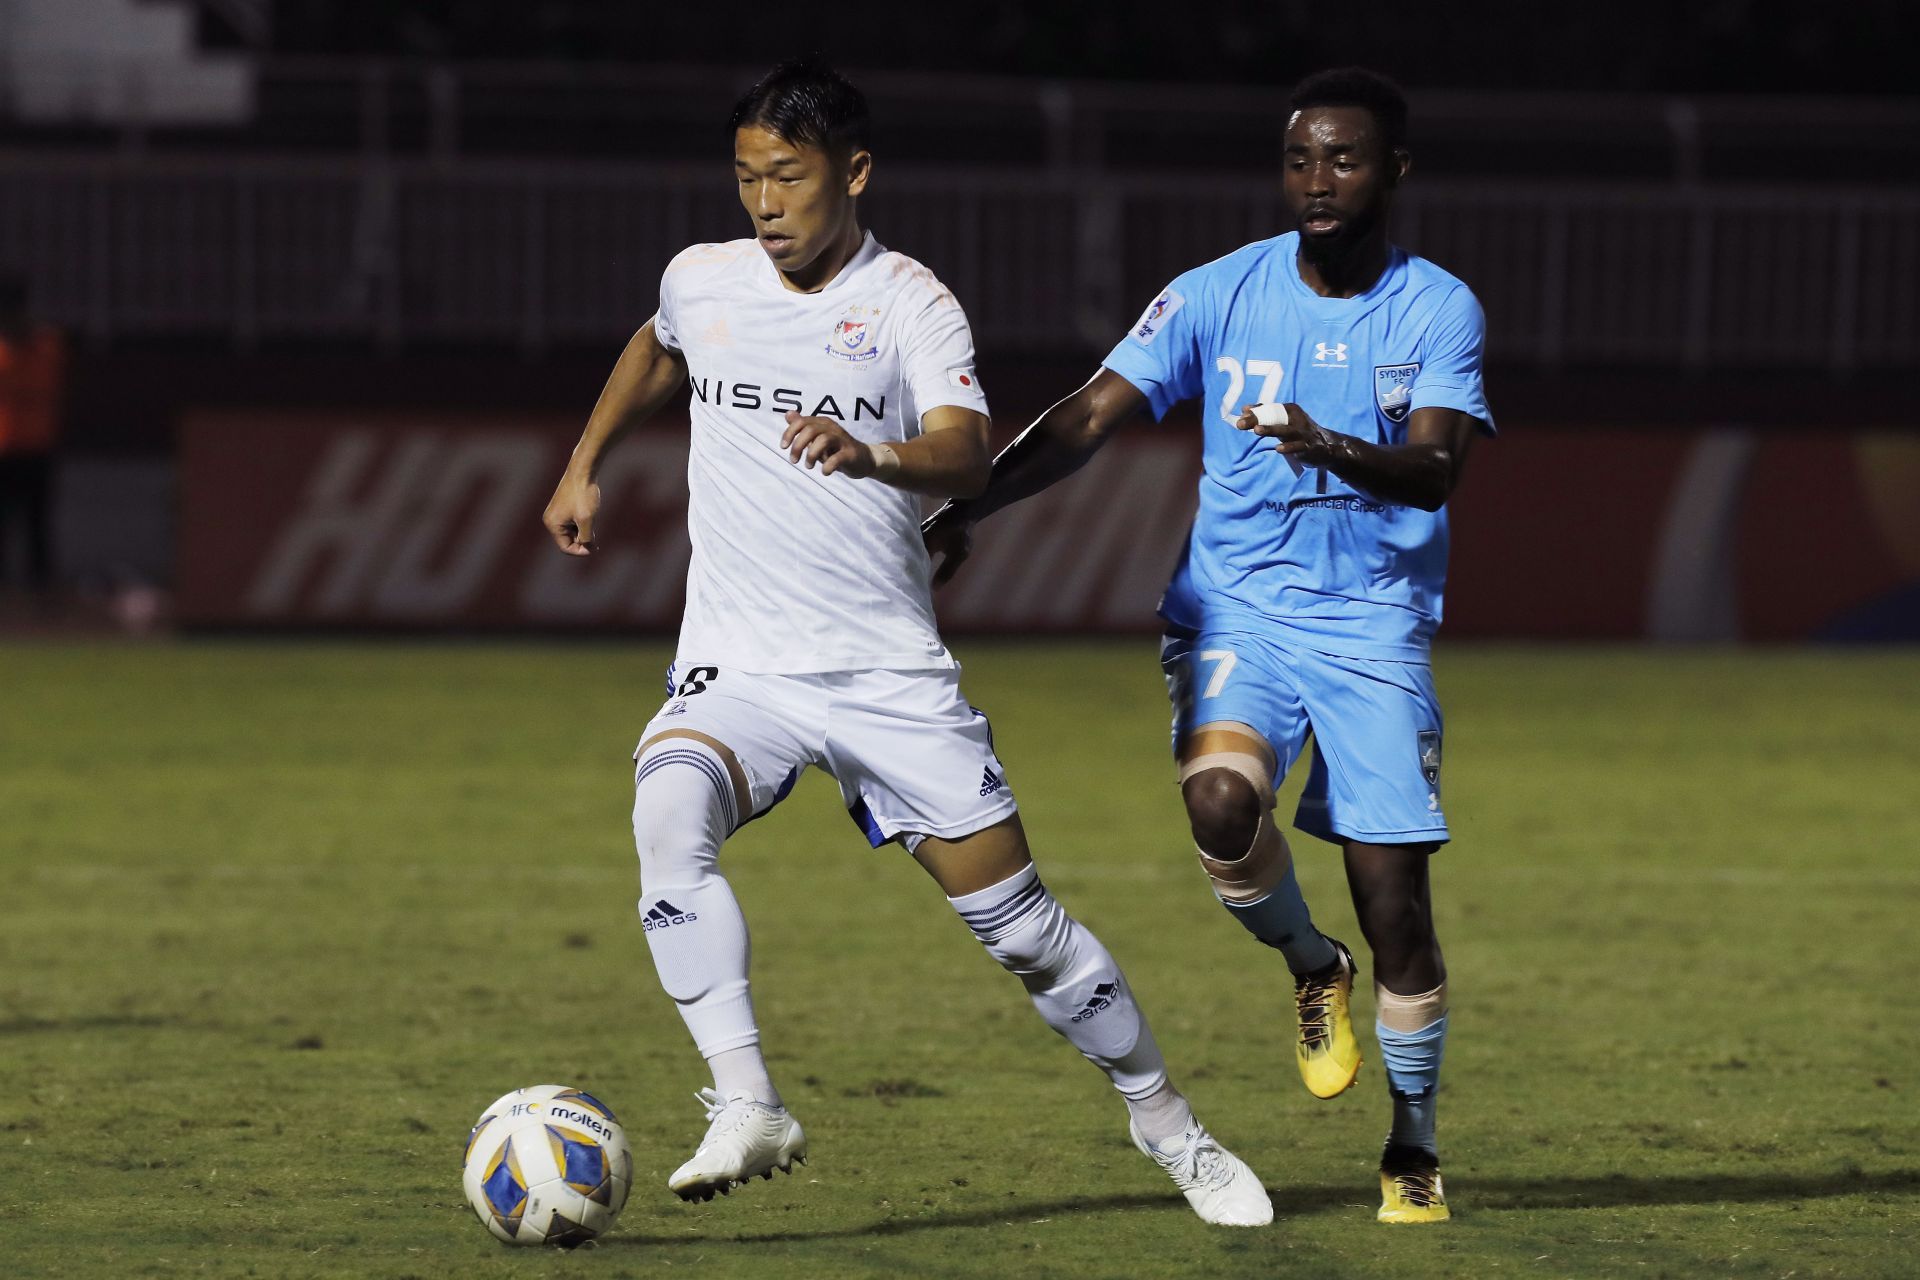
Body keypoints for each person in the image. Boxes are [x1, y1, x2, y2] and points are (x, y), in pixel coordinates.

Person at [539, 58, 1271, 1227]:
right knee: (667, 816)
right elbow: (658, 344)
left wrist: (873, 452)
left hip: (884, 673)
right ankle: (747, 1099)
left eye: (788, 175)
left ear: (854, 172)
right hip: (742, 664)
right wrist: (582, 462)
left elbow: (969, 449)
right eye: (745, 177)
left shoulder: (909, 303)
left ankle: (1167, 1122)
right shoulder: (705, 277)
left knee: (1027, 934)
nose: (765, 202)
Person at [922, 67, 1492, 1225]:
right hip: (1234, 612)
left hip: (1374, 625)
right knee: (1223, 803)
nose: (1318, 181)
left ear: (1393, 172)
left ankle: (1413, 1142)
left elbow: (1435, 470)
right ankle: (1306, 962)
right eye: (1300, 160)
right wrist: (967, 508)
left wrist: (1323, 441)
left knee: (1398, 910)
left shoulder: (1438, 307)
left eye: (1344, 159)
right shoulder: (1217, 293)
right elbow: (1087, 413)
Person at [0, 275, 67, 603]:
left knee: (37, 529)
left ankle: (41, 598)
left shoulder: (45, 345)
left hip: (37, 449)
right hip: (4, 449)